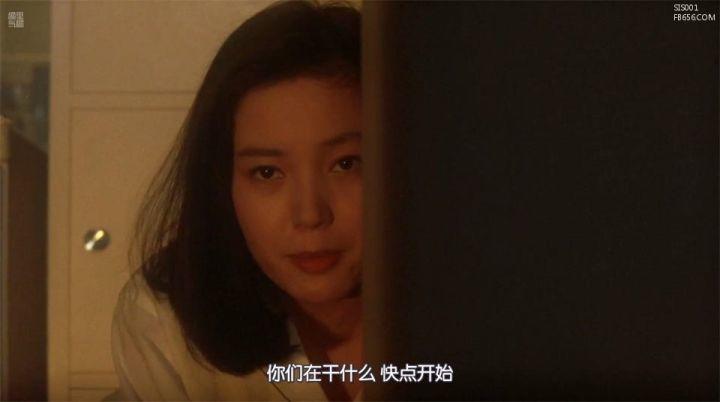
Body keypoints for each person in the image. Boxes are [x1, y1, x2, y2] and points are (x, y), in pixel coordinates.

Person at [110, 1, 363, 400]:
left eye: (345, 164)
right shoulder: (167, 322)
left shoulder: (461, 310)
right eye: (267, 173)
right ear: (222, 182)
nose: (310, 214)